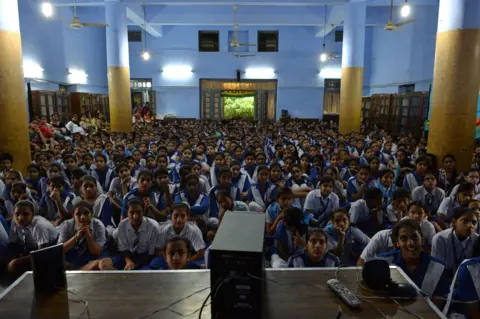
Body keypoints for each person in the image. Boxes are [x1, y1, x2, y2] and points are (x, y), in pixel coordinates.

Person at [379, 219, 449, 297]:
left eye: (415, 237)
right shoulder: (384, 262)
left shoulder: (437, 267)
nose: (410, 243)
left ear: (422, 240)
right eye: (403, 239)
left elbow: (439, 302)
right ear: (397, 243)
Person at [98, 198, 162, 270]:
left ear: (143, 211)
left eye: (139, 212)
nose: (135, 216)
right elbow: (122, 249)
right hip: (127, 256)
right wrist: (129, 262)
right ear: (127, 212)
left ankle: (131, 276)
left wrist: (135, 266)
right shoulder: (122, 225)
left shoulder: (153, 226)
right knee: (103, 264)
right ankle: (123, 279)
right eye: (132, 213)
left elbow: (151, 253)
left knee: (148, 271)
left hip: (145, 258)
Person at [2, 201, 58, 274]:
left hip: (49, 248)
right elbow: (13, 243)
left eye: (25, 214)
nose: (20, 218)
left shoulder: (39, 226)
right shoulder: (14, 221)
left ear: (32, 215)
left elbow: (42, 253)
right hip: (30, 246)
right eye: (17, 214)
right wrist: (14, 256)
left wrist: (18, 261)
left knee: (38, 267)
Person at [58, 201, 107, 270]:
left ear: (92, 214)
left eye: (86, 213)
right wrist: (76, 237)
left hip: (91, 254)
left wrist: (88, 235)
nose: (83, 217)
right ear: (73, 216)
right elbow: (60, 250)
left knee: (100, 263)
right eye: (78, 214)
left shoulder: (98, 225)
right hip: (73, 253)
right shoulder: (67, 225)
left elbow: (97, 252)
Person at [431, 207, 479, 277]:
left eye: (474, 222)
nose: (470, 226)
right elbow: (436, 270)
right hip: (444, 279)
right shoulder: (440, 239)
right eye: (465, 221)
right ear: (454, 222)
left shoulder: (477, 240)